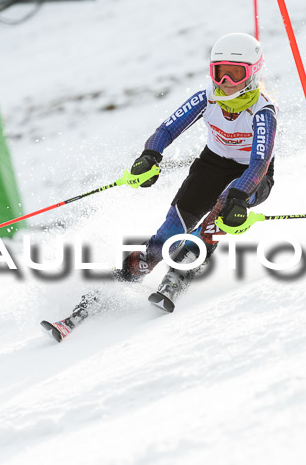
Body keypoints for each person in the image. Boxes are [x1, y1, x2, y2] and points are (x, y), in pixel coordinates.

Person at [42, 33, 278, 342]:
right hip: (211, 165)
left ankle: (181, 272)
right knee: (168, 233)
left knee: (218, 216)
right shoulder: (208, 97)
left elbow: (259, 162)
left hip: (251, 175)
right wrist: (150, 155)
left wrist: (239, 196)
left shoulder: (263, 110)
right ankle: (123, 278)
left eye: (237, 73)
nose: (227, 81)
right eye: (220, 72)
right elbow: (167, 128)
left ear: (252, 73)